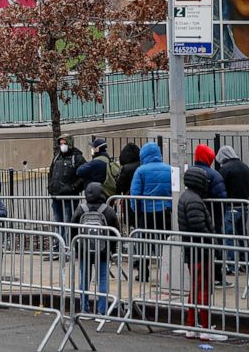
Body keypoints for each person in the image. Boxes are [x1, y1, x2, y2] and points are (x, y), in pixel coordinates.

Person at [177, 166, 225, 342]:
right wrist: (212, 240)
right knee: (203, 288)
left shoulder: (187, 197)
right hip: (200, 251)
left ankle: (191, 325)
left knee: (196, 288)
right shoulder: (195, 201)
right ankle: (204, 328)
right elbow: (199, 227)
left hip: (194, 250)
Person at [71, 181, 120, 316]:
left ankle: (84, 309)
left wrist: (76, 246)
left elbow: (73, 228)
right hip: (103, 251)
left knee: (84, 279)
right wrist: (113, 250)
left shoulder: (81, 209)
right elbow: (116, 231)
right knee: (103, 279)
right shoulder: (108, 210)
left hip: (84, 250)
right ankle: (101, 311)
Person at [129, 142, 173, 280]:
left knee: (144, 245)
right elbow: (174, 191)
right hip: (164, 212)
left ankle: (143, 273)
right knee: (164, 243)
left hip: (146, 213)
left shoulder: (141, 171)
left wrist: (135, 210)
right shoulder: (169, 169)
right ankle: (167, 274)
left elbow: (135, 193)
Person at [192, 144, 229, 286]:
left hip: (195, 216)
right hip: (212, 217)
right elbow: (221, 198)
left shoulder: (190, 171)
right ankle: (217, 276)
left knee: (197, 246)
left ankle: (199, 276)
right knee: (215, 246)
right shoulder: (214, 175)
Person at [216, 145, 249, 273]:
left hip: (229, 207)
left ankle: (230, 265)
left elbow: (220, 189)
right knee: (242, 236)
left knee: (229, 237)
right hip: (244, 206)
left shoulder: (224, 170)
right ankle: (246, 263)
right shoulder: (245, 167)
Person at [48, 135, 85, 243]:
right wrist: (50, 186)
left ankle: (68, 247)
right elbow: (51, 173)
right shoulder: (57, 157)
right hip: (56, 196)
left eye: (64, 143)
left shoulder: (77, 158)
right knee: (58, 223)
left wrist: (73, 187)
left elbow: (83, 176)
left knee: (68, 223)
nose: (62, 146)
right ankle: (58, 247)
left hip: (69, 198)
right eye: (61, 143)